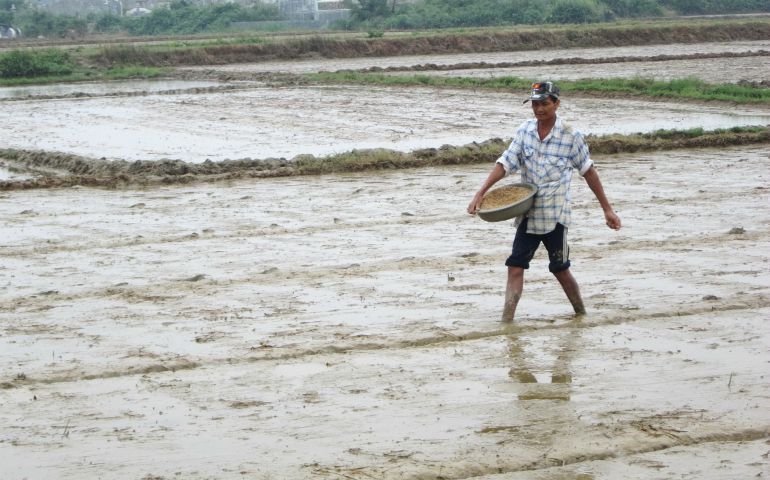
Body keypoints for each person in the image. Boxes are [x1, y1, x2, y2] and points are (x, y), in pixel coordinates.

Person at [467, 81, 621, 322]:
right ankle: (507, 320)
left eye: (544, 104)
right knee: (515, 266)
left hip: (555, 215)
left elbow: (588, 171)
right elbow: (506, 162)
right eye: (535, 104)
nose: (539, 109)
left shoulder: (571, 135)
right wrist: (480, 193)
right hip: (528, 213)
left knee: (560, 268)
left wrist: (607, 209)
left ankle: (581, 313)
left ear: (556, 103)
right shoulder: (525, 131)